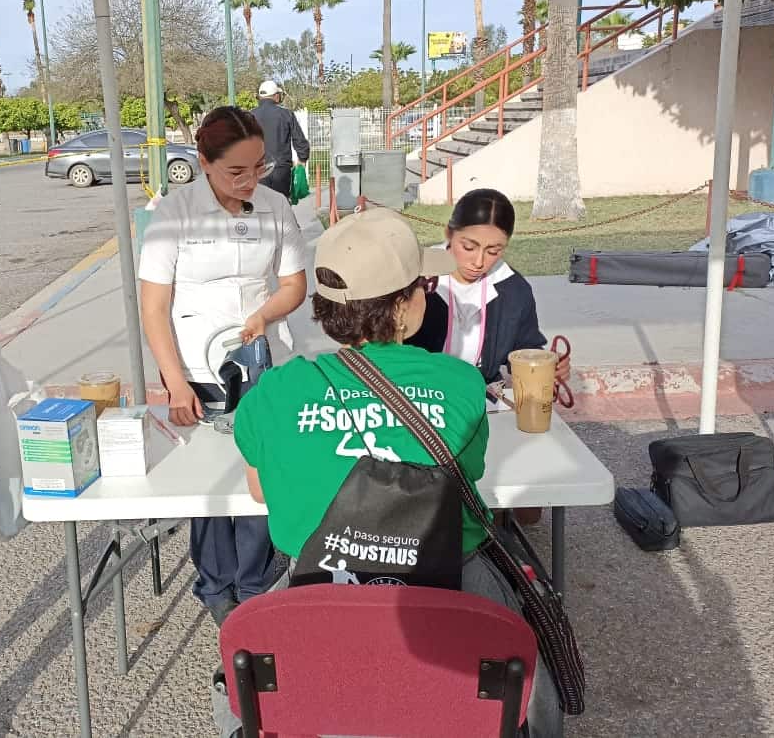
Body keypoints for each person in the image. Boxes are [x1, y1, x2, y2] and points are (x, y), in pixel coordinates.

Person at [229, 207, 563, 738]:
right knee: (528, 662)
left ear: (324, 307)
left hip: (317, 596)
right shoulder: (459, 383)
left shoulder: (273, 391)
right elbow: (464, 478)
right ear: (407, 307)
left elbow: (261, 489)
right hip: (452, 586)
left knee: (245, 666)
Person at [138, 105, 308, 626]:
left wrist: (264, 314)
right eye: (236, 171)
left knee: (261, 470)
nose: (250, 180)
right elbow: (153, 307)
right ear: (203, 162)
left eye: (258, 166)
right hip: (197, 365)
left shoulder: (275, 206)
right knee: (208, 478)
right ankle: (215, 581)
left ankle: (255, 580)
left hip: (263, 360)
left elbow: (294, 285)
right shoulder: (175, 214)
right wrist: (174, 382)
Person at [406, 188, 569, 388]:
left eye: (493, 251)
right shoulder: (414, 279)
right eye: (468, 247)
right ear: (449, 233)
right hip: (419, 396)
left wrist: (543, 363)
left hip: (481, 399)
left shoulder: (513, 289)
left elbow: (523, 349)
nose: (479, 262)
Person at [251, 80, 310, 200]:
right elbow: (299, 140)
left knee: (262, 206)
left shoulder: (249, 116)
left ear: (260, 97)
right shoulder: (286, 114)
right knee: (281, 206)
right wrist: (302, 158)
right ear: (276, 96)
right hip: (281, 169)